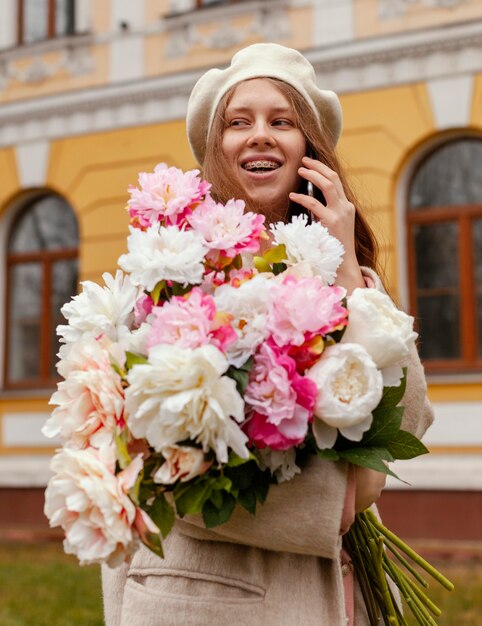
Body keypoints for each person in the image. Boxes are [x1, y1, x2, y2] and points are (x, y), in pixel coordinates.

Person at [102, 43, 434, 626]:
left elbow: (406, 421)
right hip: (202, 601)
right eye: (239, 122)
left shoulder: (347, 280)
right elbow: (150, 466)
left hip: (335, 595)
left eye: (282, 121)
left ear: (309, 150)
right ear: (216, 149)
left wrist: (350, 273)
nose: (260, 135)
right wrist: (335, 501)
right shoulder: (171, 277)